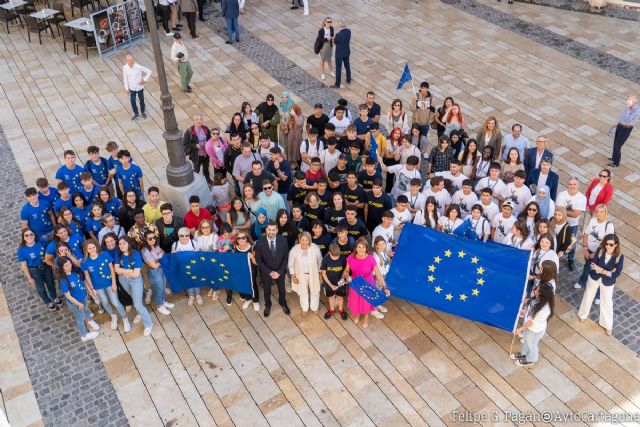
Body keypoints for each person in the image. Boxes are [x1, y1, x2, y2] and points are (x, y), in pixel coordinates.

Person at [577, 234, 623, 335]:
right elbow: (593, 264)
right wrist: (608, 271)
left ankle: (607, 325)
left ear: (616, 245)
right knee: (588, 295)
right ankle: (582, 315)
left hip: (608, 282)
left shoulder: (619, 256)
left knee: (607, 302)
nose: (608, 246)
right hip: (594, 277)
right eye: (606, 244)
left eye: (611, 244)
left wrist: (601, 269)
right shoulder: (600, 249)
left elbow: (616, 273)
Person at [82, 239, 131, 330]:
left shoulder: (104, 255)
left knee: (115, 302)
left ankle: (125, 318)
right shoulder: (85, 262)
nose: (92, 250)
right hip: (97, 286)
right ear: (86, 250)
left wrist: (114, 283)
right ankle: (113, 316)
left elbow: (112, 269)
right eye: (89, 249)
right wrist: (92, 289)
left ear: (96, 247)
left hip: (109, 283)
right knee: (104, 302)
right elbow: (87, 276)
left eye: (93, 247)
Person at [343, 238, 390, 329]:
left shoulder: (370, 259)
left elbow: (378, 274)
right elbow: (346, 271)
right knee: (355, 302)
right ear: (356, 248)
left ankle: (366, 318)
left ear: (366, 248)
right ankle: (357, 315)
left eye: (363, 247)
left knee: (366, 302)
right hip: (355, 284)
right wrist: (347, 276)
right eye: (359, 247)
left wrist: (385, 287)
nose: (361, 249)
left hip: (368, 284)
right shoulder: (351, 257)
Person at [57, 257, 101, 342]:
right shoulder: (63, 280)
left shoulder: (74, 272)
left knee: (86, 310)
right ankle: (84, 335)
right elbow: (68, 296)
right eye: (66, 266)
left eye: (69, 264)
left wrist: (86, 291)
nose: (69, 266)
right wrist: (78, 303)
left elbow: (80, 283)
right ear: (62, 268)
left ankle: (90, 321)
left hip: (83, 297)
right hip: (75, 303)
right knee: (80, 318)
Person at [511, 283, 554, 367]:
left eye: (538, 291)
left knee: (531, 344)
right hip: (529, 326)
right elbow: (531, 307)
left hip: (534, 329)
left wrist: (520, 329)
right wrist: (525, 310)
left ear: (543, 295)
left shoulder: (544, 310)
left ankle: (531, 359)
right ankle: (524, 353)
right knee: (527, 341)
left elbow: (532, 322)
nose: (535, 290)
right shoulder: (538, 299)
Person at [18, 229, 61, 311]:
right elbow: (24, 265)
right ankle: (48, 302)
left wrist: (51, 263)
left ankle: (55, 297)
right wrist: (29, 277)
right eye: (26, 235)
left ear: (34, 235)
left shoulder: (41, 241)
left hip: (46, 266)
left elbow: (49, 253)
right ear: (23, 238)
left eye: (31, 234)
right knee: (40, 288)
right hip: (34, 270)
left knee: (50, 283)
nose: (29, 236)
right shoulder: (21, 250)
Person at [575, 204, 615, 292]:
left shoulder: (609, 226)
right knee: (588, 266)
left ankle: (597, 294)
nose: (598, 213)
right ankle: (583, 282)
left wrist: (596, 253)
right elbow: (586, 234)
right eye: (597, 211)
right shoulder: (593, 220)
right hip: (589, 249)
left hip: (600, 252)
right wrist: (585, 248)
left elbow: (606, 243)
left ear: (606, 213)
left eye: (601, 212)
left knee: (597, 271)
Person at [255, 222, 290, 317]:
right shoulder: (259, 243)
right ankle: (268, 305)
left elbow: (286, 258)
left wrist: (279, 272)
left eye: (273, 230)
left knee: (282, 289)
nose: (271, 232)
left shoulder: (283, 240)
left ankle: (283, 303)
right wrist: (269, 272)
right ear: (266, 230)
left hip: (280, 271)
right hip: (266, 272)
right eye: (269, 230)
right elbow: (259, 261)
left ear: (277, 230)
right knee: (267, 290)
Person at [288, 232, 323, 317]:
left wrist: (320, 272)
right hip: (300, 275)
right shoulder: (294, 250)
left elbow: (320, 261)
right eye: (302, 240)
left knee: (314, 291)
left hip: (313, 274)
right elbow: (291, 264)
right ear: (299, 240)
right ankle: (305, 308)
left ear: (309, 240)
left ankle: (314, 307)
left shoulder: (315, 248)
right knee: (303, 292)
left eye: (306, 240)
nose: (304, 242)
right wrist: (293, 276)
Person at [555, 178, 586, 270]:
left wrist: (563, 211)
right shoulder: (562, 194)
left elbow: (576, 214)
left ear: (578, 185)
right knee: (557, 239)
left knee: (571, 243)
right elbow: (558, 209)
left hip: (573, 224)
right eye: (570, 184)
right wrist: (569, 212)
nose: (572, 186)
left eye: (574, 184)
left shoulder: (582, 198)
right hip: (559, 222)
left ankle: (571, 259)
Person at [141, 230, 174, 316]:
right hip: (154, 272)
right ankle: (159, 306)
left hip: (162, 269)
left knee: (163, 287)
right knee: (158, 289)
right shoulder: (145, 251)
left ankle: (163, 302)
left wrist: (159, 258)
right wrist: (160, 258)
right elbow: (154, 265)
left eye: (154, 238)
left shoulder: (156, 246)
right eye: (150, 238)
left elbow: (163, 252)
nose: (153, 240)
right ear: (145, 239)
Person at [171, 227, 201, 305]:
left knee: (196, 281)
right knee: (187, 281)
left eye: (186, 235)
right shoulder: (175, 245)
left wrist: (197, 253)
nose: (184, 237)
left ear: (189, 236)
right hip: (183, 268)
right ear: (178, 236)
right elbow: (173, 259)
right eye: (182, 236)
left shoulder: (194, 243)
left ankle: (197, 294)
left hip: (194, 267)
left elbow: (199, 256)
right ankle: (191, 295)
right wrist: (174, 255)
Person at [609, 95, 639, 168]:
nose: (628, 102)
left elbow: (627, 120)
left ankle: (616, 163)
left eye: (630, 100)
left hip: (625, 128)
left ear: (634, 102)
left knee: (617, 146)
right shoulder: (631, 105)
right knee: (615, 143)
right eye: (628, 100)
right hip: (620, 126)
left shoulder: (636, 111)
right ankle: (614, 158)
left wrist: (628, 108)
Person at [321, 243, 347, 320]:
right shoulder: (325, 260)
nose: (336, 258)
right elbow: (324, 274)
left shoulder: (342, 258)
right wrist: (331, 285)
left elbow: (345, 271)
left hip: (340, 282)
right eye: (334, 256)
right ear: (329, 252)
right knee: (331, 298)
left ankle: (341, 310)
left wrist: (342, 280)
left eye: (337, 256)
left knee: (340, 298)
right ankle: (331, 309)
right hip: (329, 283)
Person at [122, 54, 151, 121]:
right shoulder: (125, 68)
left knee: (141, 99)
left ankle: (143, 112)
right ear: (127, 61)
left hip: (139, 86)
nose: (132, 62)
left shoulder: (138, 66)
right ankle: (136, 114)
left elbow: (149, 71)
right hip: (131, 88)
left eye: (132, 60)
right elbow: (125, 79)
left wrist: (144, 80)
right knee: (132, 100)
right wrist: (126, 89)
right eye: (130, 61)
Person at [331, 20, 351, 89]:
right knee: (347, 65)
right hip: (346, 51)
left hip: (339, 53)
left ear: (340, 25)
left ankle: (337, 84)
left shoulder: (338, 34)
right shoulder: (349, 31)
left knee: (338, 68)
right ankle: (348, 79)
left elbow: (335, 42)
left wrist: (334, 38)